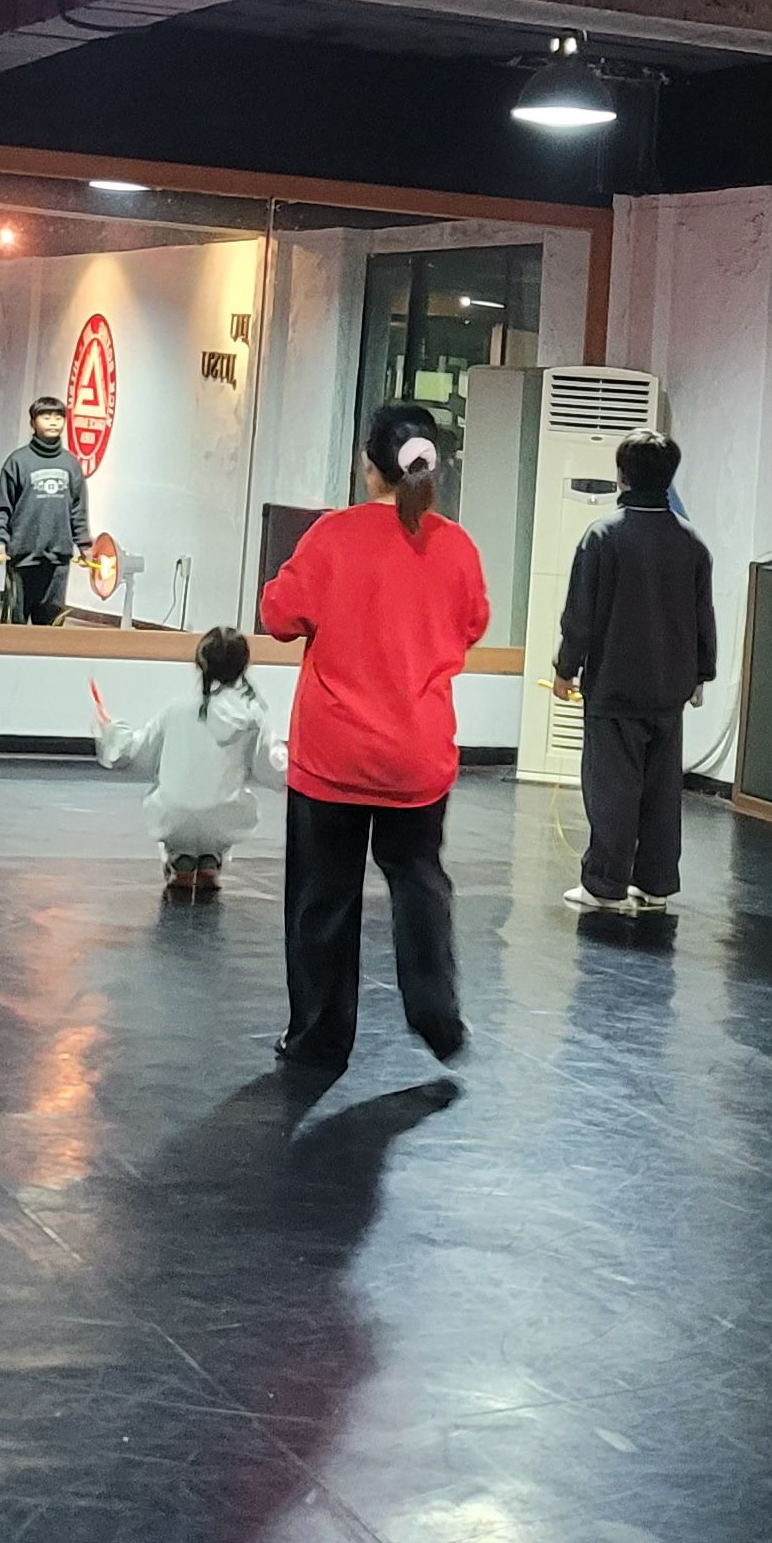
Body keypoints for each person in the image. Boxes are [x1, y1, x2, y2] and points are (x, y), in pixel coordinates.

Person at [260, 402, 490, 1080]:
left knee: (322, 898)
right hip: (417, 755)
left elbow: (278, 615)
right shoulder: (456, 546)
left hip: (332, 755)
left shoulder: (332, 537)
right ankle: (437, 1014)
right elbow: (472, 623)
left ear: (370, 466)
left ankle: (319, 1038)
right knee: (419, 880)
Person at [551, 433, 720, 919]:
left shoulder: (602, 537)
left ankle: (605, 884)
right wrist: (701, 673)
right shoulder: (692, 542)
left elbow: (580, 615)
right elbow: (702, 615)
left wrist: (566, 668)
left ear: (622, 476)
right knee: (662, 792)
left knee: (612, 788)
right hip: (670, 689)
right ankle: (655, 884)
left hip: (614, 686)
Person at [88, 626, 284, 901]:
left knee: (174, 801)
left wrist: (111, 729)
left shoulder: (175, 710)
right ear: (244, 667)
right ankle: (211, 858)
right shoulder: (252, 718)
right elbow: (273, 767)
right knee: (226, 804)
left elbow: (135, 751)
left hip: (173, 817)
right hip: (225, 818)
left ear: (199, 664)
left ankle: (180, 858)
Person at [0, 394, 87, 624]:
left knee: (50, 628)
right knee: (15, 626)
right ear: (33, 422)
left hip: (57, 561)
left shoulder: (71, 464)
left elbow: (78, 509)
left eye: (58, 417)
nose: (53, 422)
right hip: (22, 557)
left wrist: (84, 545)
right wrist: (0, 541)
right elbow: (2, 507)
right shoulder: (18, 462)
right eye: (46, 417)